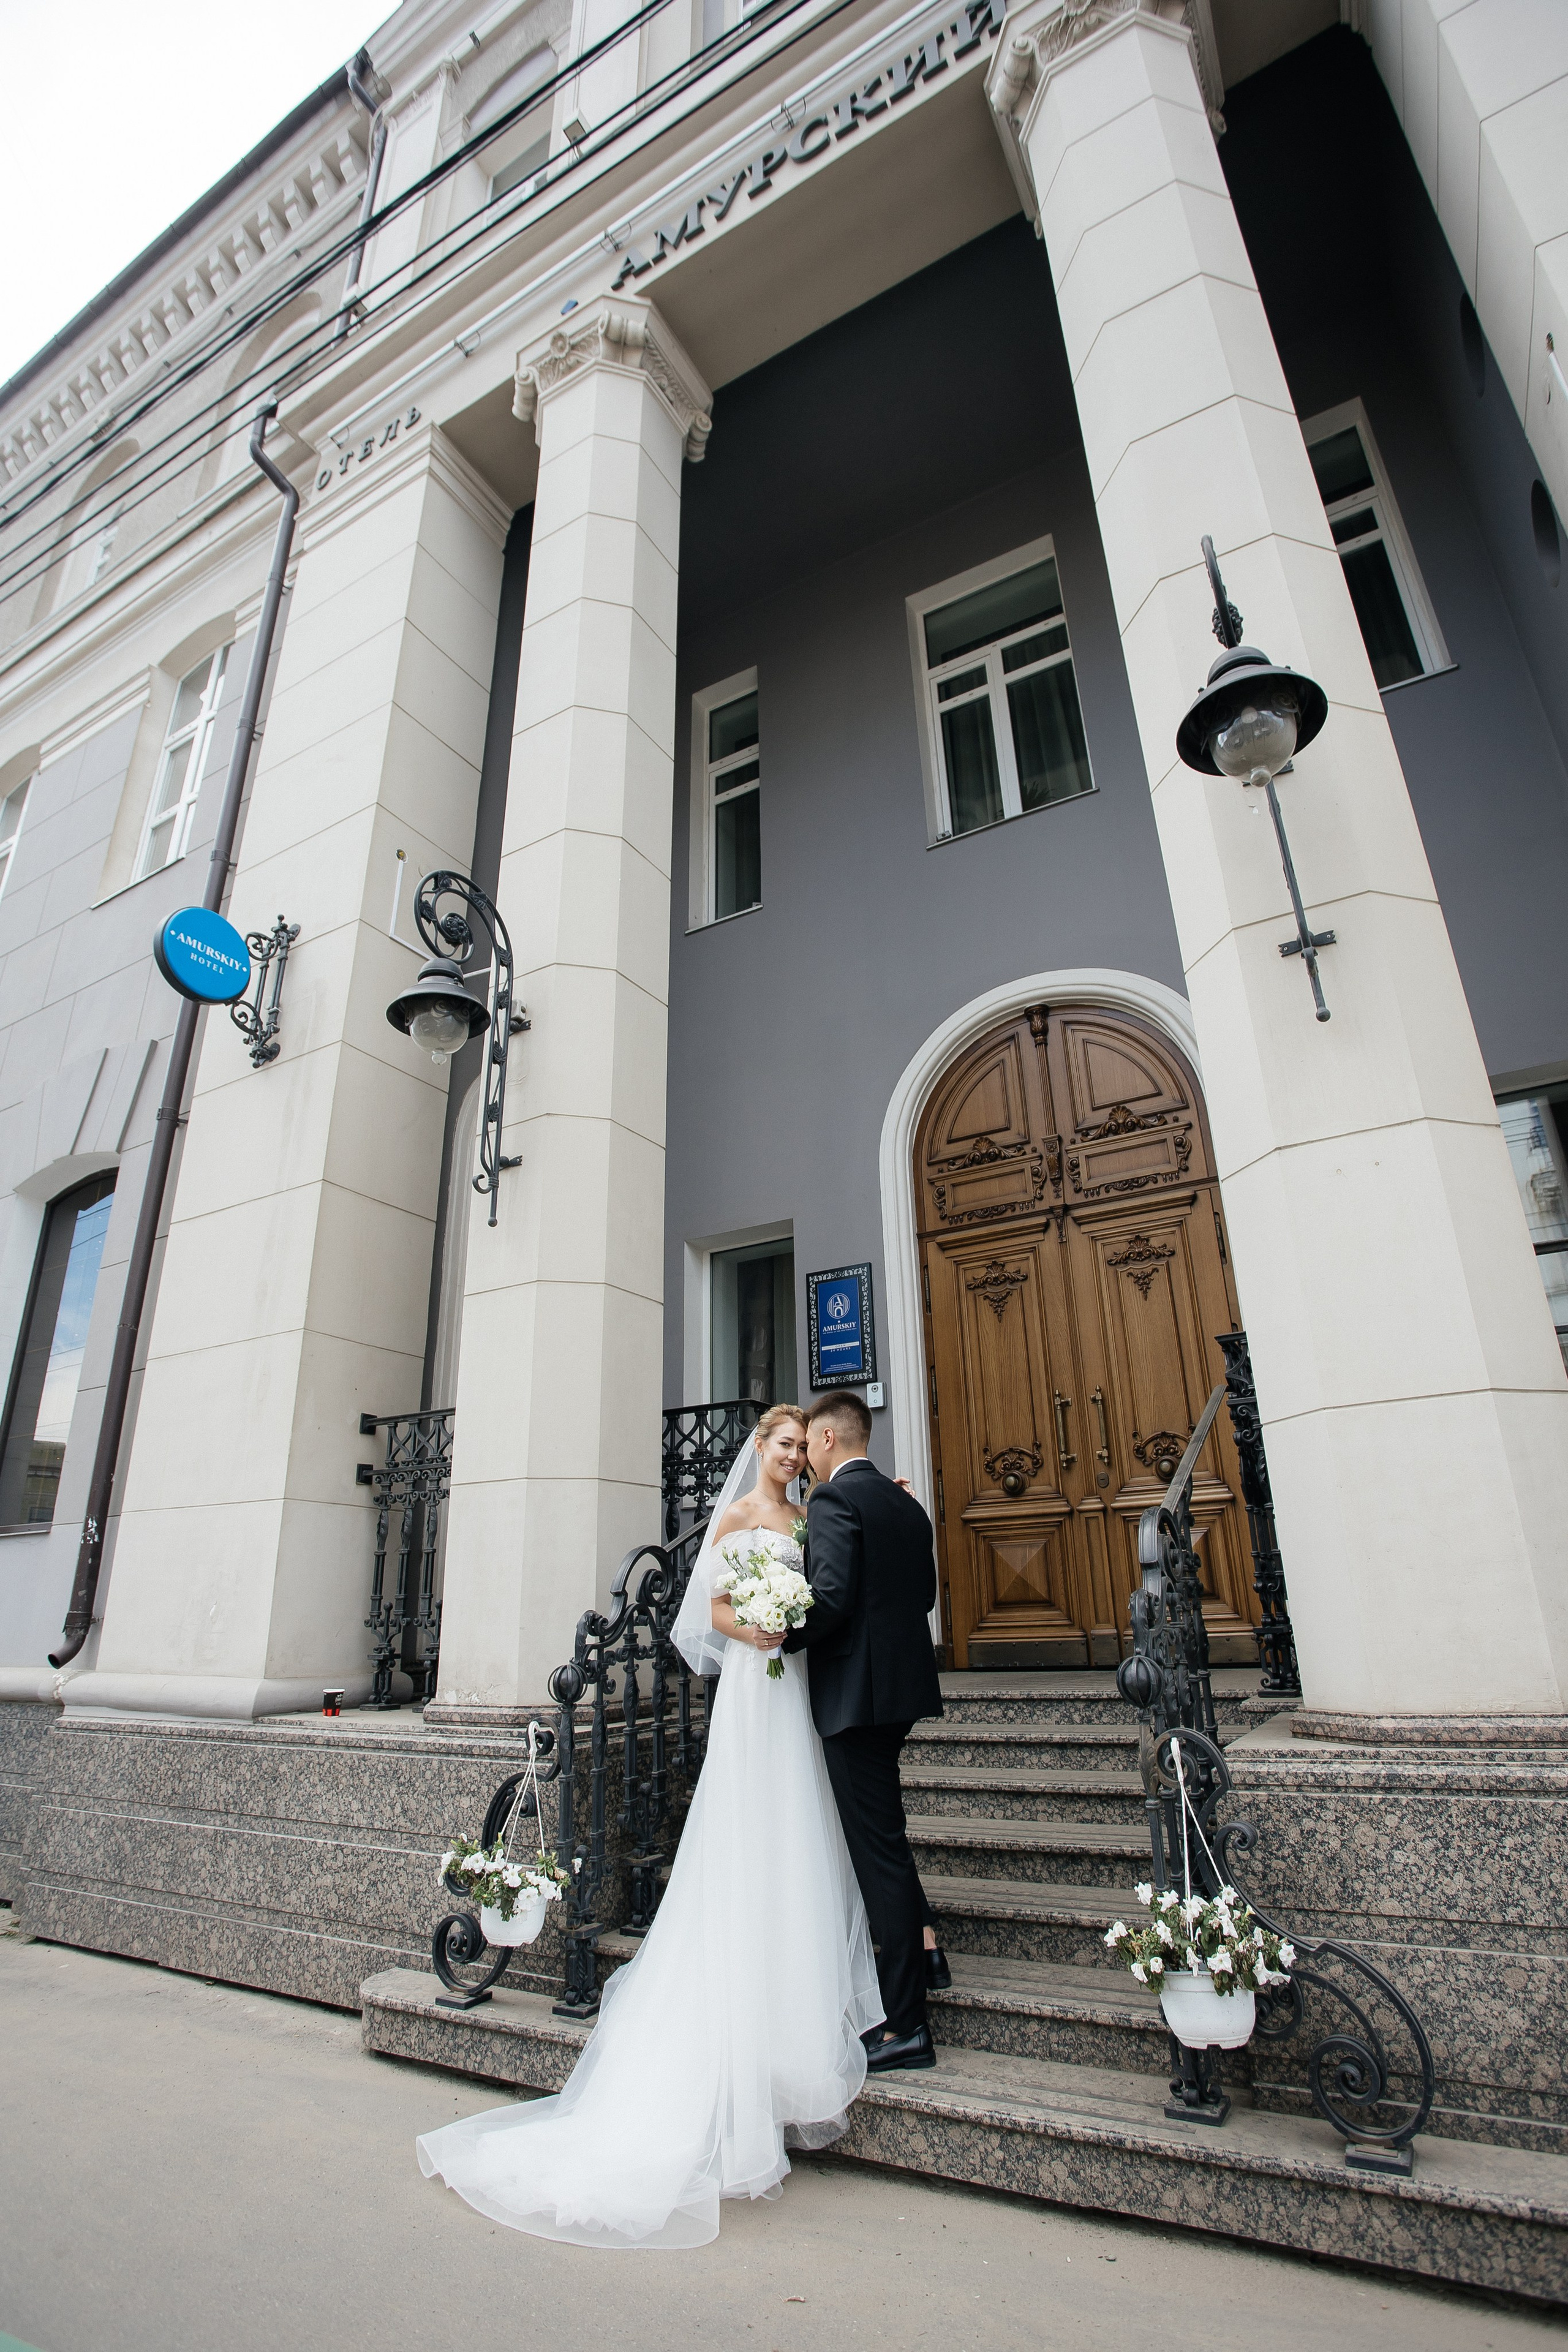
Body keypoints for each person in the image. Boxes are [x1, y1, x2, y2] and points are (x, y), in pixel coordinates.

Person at [415, 1403, 883, 2249]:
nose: (787, 1458)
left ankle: (783, 2044)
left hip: (799, 1695)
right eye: (778, 1446)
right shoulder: (740, 1516)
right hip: (755, 1688)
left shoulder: (813, 1515)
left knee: (799, 1842)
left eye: (795, 1447)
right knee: (747, 1833)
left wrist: (798, 1621)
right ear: (761, 1451)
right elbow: (707, 1619)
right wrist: (766, 1629)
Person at [783, 1390, 946, 2070]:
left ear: (824, 1441)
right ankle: (929, 1957)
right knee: (888, 1838)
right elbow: (925, 1595)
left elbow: (831, 1596)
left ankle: (906, 2024)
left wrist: (782, 1632)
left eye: (807, 1449)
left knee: (878, 1851)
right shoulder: (906, 1502)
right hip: (902, 1690)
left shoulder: (831, 1501)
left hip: (856, 1697)